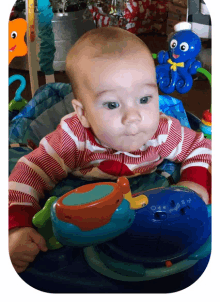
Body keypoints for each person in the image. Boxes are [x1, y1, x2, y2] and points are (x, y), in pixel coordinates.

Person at [9, 27, 211, 273]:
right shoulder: (72, 140)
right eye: (112, 104)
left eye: (145, 99)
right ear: (83, 113)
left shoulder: (162, 131)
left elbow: (200, 146)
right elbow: (28, 172)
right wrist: (17, 228)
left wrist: (195, 183)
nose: (133, 117)